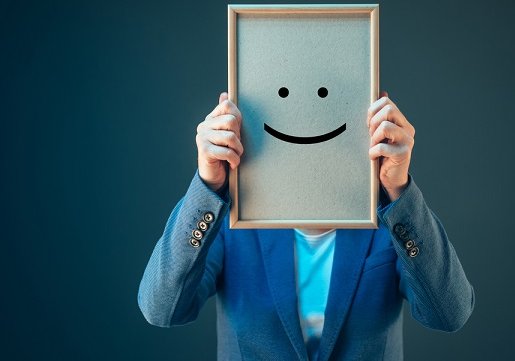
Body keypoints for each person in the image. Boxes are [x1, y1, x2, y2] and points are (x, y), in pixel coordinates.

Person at [138, 91, 475, 360]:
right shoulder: (229, 220)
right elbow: (161, 308)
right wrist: (208, 186)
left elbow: (450, 312)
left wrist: (399, 190)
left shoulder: (390, 218)